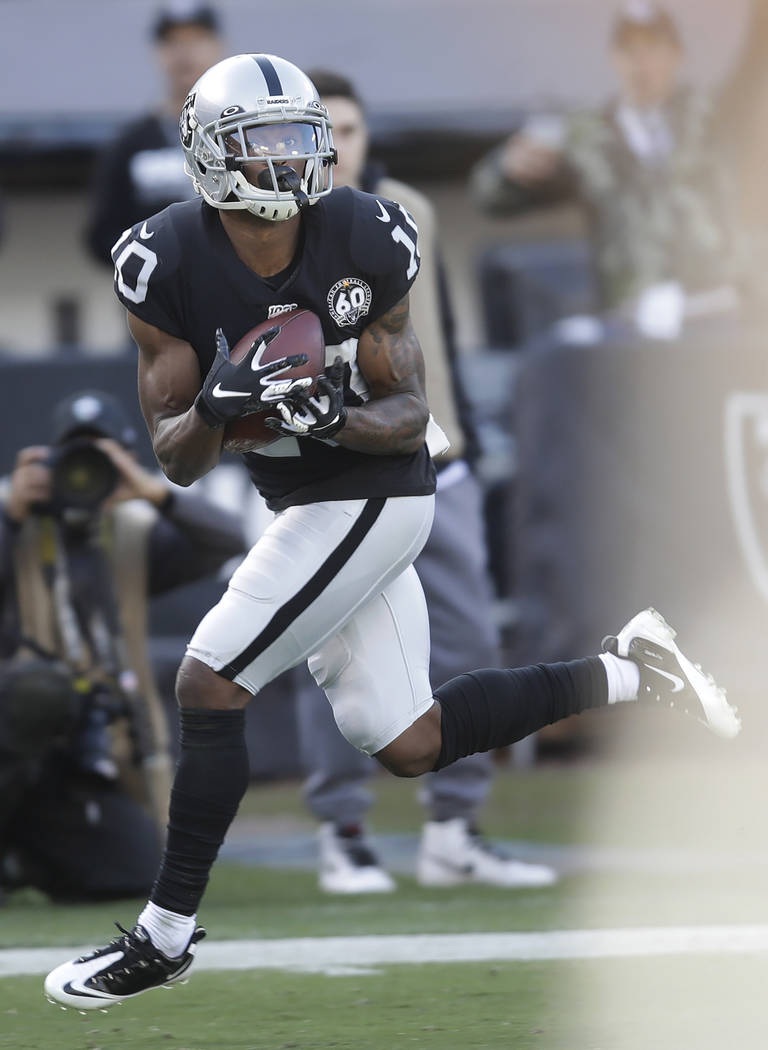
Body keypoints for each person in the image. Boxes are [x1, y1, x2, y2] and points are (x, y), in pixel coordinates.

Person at [44, 53, 739, 1011]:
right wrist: (220, 403)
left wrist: (318, 412)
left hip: (381, 490)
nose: (291, 161)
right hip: (303, 504)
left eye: (300, 137)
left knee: (208, 675)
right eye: (266, 142)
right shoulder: (161, 260)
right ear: (212, 156)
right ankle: (632, 666)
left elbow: (409, 412)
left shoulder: (366, 234)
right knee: (408, 740)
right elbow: (175, 457)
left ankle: (163, 938)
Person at [296, 69, 554, 892]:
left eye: (353, 129)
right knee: (331, 653)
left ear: (371, 136)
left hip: (435, 460)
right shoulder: (280, 224)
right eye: (323, 131)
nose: (340, 146)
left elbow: (437, 329)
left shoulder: (412, 209)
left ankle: (454, 829)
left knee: (471, 639)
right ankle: (342, 831)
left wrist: (467, 446)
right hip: (333, 476)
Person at [0, 389, 245, 903]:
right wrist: (11, 513)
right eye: (76, 458)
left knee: (133, 872)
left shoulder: (131, 534)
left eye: (103, 458)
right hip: (14, 734)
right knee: (37, 691)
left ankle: (27, 857)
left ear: (126, 462)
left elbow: (228, 541)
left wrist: (155, 493)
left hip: (92, 748)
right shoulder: (14, 523)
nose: (83, 474)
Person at [470, 2, 740, 315]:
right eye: (629, 50)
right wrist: (506, 169)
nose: (641, 63)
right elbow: (490, 197)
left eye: (652, 48)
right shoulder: (588, 137)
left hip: (719, 305)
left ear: (676, 54)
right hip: (635, 313)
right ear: (614, 58)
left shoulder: (717, 122)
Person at [85, 2, 225, 267]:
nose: (185, 53)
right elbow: (102, 235)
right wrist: (157, 261)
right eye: (173, 42)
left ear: (218, 46)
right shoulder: (129, 144)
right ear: (157, 53)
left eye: (196, 40)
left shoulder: (241, 135)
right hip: (157, 297)